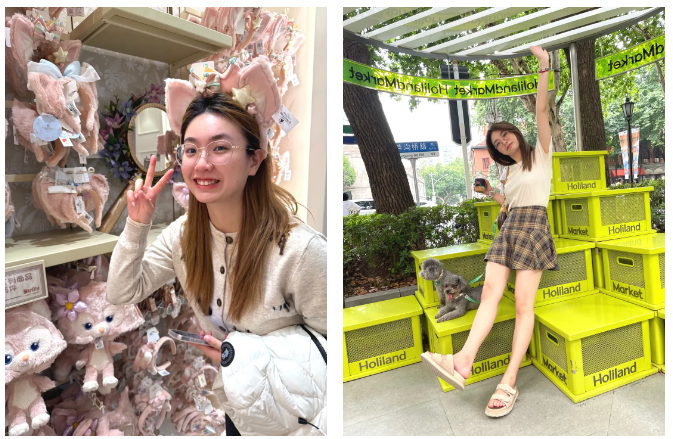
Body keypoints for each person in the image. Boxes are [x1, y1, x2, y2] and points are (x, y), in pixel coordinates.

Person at [106, 91, 327, 435]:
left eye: (220, 148)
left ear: (254, 160)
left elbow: (330, 345)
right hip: (237, 407)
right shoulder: (182, 237)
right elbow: (121, 291)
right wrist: (137, 224)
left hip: (299, 417)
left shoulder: (300, 250)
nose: (202, 164)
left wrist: (238, 355)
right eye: (191, 150)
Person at [420, 46, 558, 418]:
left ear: (516, 133)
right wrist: (493, 196)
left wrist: (543, 66)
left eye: (505, 135)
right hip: (510, 228)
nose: (502, 142)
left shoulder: (541, 153)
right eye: (496, 143)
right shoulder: (508, 171)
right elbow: (509, 202)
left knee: (524, 305)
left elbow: (541, 111)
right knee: (490, 296)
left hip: (533, 228)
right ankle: (463, 361)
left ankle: (508, 381)